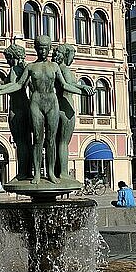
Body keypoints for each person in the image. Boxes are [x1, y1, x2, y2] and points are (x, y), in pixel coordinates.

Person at [0, 35, 94, 184]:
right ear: (36, 49)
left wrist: (82, 89)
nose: (43, 51)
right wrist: (0, 89)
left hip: (52, 104)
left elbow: (65, 85)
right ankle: (37, 173)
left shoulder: (55, 66)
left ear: (49, 49)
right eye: (40, 48)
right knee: (38, 140)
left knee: (51, 140)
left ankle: (51, 172)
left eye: (45, 48)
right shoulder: (31, 67)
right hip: (36, 104)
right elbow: (19, 85)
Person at [52, 43, 82, 179]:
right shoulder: (64, 69)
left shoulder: (55, 69)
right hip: (66, 108)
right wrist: (82, 90)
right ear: (66, 55)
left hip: (57, 108)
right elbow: (67, 86)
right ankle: (64, 172)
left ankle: (57, 171)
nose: (73, 59)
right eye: (72, 55)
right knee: (63, 143)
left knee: (57, 142)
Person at [3, 44, 32, 180]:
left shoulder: (15, 70)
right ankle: (27, 172)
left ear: (12, 57)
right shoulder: (25, 69)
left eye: (7, 58)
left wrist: (0, 89)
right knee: (26, 142)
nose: (7, 61)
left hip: (17, 108)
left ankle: (22, 173)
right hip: (26, 107)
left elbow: (15, 86)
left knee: (21, 143)